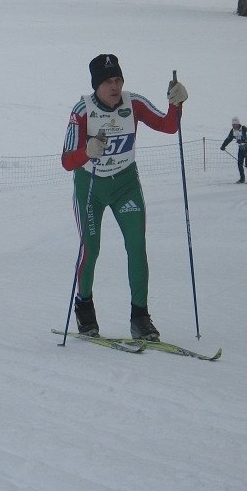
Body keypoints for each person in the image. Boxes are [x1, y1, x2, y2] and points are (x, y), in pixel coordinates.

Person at [61, 54, 188, 341]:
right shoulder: (82, 110)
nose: (115, 86)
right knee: (91, 249)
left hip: (125, 185)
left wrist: (176, 103)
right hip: (90, 187)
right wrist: (86, 151)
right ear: (96, 85)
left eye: (118, 79)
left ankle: (140, 316)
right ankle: (84, 307)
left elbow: (168, 126)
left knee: (137, 246)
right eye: (108, 81)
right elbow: (67, 161)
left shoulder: (134, 103)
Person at [220, 117, 247, 184]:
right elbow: (229, 138)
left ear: (238, 124)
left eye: (235, 124)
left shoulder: (244, 129)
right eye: (233, 125)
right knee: (239, 163)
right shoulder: (233, 131)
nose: (234, 126)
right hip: (241, 147)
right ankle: (242, 179)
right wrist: (223, 145)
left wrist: (242, 140)